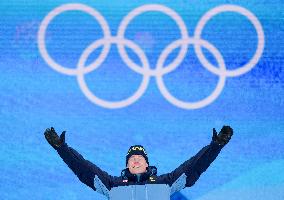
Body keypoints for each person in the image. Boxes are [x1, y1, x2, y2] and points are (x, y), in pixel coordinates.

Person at [44, 126, 233, 200]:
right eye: (131, 159)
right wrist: (62, 149)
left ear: (147, 165)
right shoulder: (112, 185)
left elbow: (193, 167)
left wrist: (215, 146)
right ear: (127, 166)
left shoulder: (165, 183)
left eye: (139, 158)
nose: (135, 159)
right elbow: (84, 169)